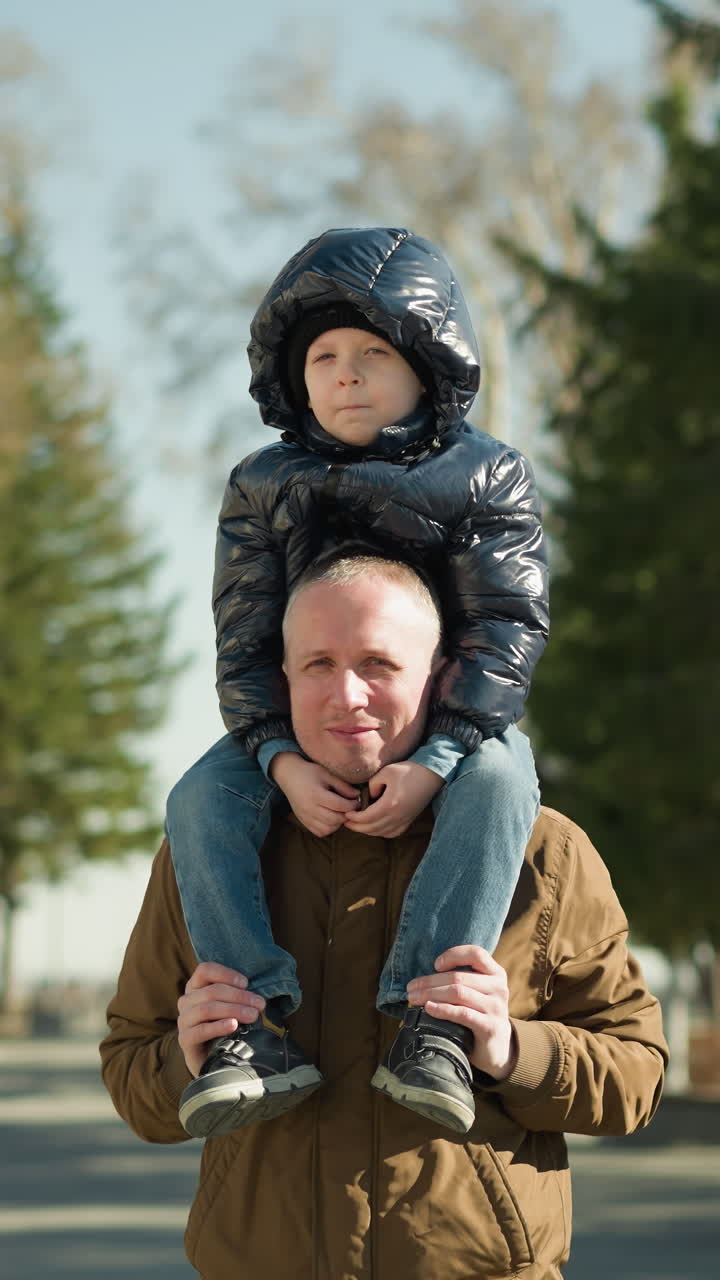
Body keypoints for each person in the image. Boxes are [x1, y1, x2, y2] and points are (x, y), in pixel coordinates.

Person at [100, 558, 667, 1280]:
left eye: (378, 663)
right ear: (281, 679)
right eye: (318, 664)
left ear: (439, 675)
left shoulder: (542, 850)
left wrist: (508, 1049)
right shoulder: (211, 849)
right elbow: (131, 1078)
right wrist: (187, 1054)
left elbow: (637, 1078)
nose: (347, 694)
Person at [164, 227, 549, 1139]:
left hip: (449, 726)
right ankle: (249, 1026)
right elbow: (246, 637)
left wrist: (447, 752)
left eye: (374, 354)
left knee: (503, 780)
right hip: (291, 739)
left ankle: (436, 1022)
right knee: (197, 799)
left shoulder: (484, 476)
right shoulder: (263, 484)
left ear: (427, 369)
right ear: (292, 378)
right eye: (324, 356)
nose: (346, 374)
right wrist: (274, 757)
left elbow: (507, 626)